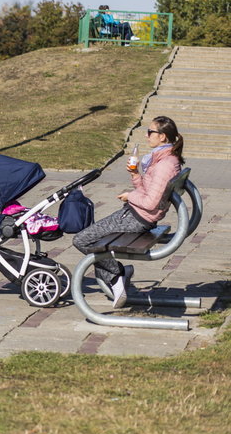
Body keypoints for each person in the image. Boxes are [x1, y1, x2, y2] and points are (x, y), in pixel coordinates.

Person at [73, 116, 184, 308]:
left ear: (163, 137)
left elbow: (150, 202)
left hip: (136, 218)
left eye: (151, 132)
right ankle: (118, 276)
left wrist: (129, 196)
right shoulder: (163, 159)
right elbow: (148, 192)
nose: (147, 135)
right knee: (91, 239)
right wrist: (135, 174)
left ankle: (118, 276)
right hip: (136, 215)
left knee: (82, 240)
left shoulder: (165, 165)